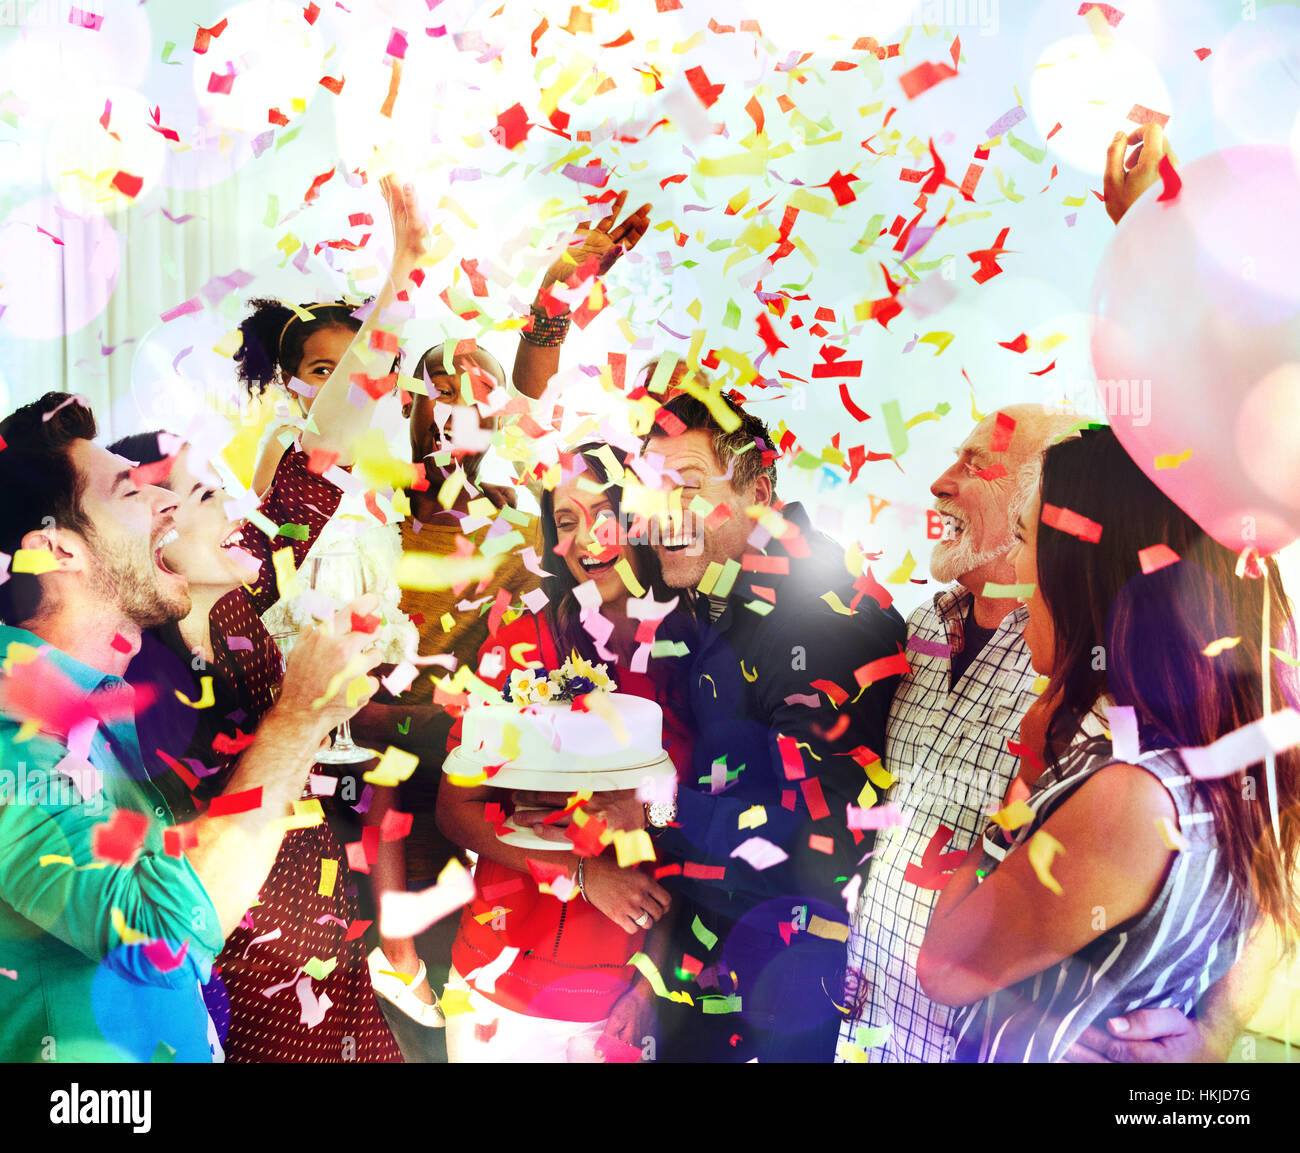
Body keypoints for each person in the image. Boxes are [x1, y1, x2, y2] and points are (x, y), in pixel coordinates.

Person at [108, 175, 427, 1061]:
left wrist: (403, 279)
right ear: (163, 539)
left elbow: (327, 447)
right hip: (247, 976)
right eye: (209, 495)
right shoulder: (139, 676)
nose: (236, 505)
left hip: (332, 936)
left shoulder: (246, 598)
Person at [0, 393, 374, 1062]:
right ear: (57, 550)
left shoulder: (91, 707)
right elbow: (159, 936)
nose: (166, 502)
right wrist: (297, 720)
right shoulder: (14, 733)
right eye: (130, 490)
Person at [917, 427, 1300, 1062]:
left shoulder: (1133, 796)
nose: (1015, 569)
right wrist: (1212, 1037)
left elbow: (945, 967)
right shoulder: (1230, 751)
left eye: (1024, 541)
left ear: (1087, 572)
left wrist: (1022, 787)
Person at [591, 390, 907, 1062]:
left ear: (758, 493)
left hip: (784, 983)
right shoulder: (707, 603)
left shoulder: (820, 619)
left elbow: (814, 831)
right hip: (708, 957)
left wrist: (651, 809)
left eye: (690, 485)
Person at [836, 405, 1082, 1063]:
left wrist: (1207, 1034)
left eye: (974, 465)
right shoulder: (921, 625)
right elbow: (892, 815)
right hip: (861, 1022)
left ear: (1039, 501)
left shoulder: (1080, 662)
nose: (940, 483)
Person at [437, 443, 695, 1061]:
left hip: (619, 1002)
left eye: (604, 511)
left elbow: (693, 837)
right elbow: (455, 811)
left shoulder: (695, 653)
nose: (586, 538)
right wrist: (580, 874)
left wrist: (649, 985)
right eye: (568, 520)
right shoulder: (519, 642)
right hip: (498, 996)